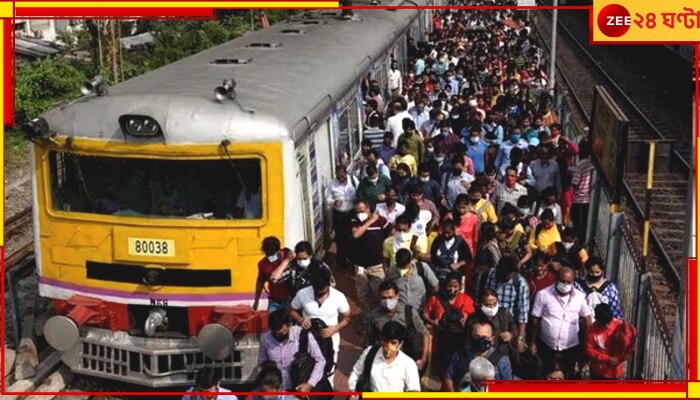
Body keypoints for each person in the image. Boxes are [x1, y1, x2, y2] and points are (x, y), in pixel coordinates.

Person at [289, 268, 351, 386]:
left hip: (330, 342)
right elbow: (292, 310)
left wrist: (335, 328)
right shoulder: (302, 294)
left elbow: (348, 317)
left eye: (323, 290)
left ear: (329, 284)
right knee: (307, 373)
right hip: (308, 341)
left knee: (329, 373)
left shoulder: (338, 297)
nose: (319, 293)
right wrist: (301, 320)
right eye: (317, 290)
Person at [530, 266, 593, 379]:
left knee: (567, 375)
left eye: (569, 282)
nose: (565, 284)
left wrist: (589, 343)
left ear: (573, 282)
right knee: (545, 374)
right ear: (556, 279)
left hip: (570, 346)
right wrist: (533, 341)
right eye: (562, 281)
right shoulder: (543, 295)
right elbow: (536, 319)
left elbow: (587, 318)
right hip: (547, 345)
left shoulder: (579, 297)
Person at [423, 272, 476, 389]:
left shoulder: (467, 300)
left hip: (460, 344)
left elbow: (474, 320)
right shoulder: (435, 299)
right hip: (441, 344)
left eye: (455, 286)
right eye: (449, 286)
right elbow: (425, 315)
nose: (452, 289)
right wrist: (434, 322)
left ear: (460, 287)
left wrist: (467, 321)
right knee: (443, 374)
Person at [367, 280, 430, 370]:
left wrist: (423, 359)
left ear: (397, 296)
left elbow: (425, 334)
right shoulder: (374, 316)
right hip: (386, 362)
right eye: (383, 298)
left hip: (408, 360)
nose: (387, 301)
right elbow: (370, 340)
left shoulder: (409, 312)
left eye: (390, 297)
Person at [258, 310, 326, 392]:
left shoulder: (302, 335)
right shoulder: (265, 338)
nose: (277, 336)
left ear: (289, 325)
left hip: (299, 389)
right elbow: (262, 364)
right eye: (274, 333)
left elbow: (320, 360)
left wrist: (310, 384)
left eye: (282, 333)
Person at [348, 321, 421, 394]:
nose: (388, 346)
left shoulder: (408, 364)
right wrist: (352, 391)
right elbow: (355, 372)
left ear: (400, 344)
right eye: (386, 341)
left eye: (393, 343)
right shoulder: (370, 353)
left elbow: (414, 390)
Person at [350, 198, 391, 318]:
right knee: (362, 295)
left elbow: (391, 234)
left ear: (368, 209)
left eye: (362, 210)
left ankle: (381, 318)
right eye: (357, 211)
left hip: (377, 265)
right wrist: (370, 220)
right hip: (360, 266)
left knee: (379, 293)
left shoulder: (382, 221)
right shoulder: (355, 220)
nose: (359, 213)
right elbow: (356, 234)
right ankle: (367, 320)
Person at [445, 318, 513, 391]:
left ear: (492, 339)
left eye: (485, 337)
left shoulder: (502, 360)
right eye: (477, 336)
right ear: (471, 336)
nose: (481, 340)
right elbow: (448, 377)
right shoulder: (460, 354)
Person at [475, 255, 530, 343]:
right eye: (505, 273)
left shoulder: (520, 284)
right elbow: (477, 301)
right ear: (498, 268)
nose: (508, 276)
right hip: (484, 324)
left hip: (506, 327)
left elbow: (522, 314)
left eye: (510, 274)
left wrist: (519, 338)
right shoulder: (486, 276)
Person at [325, 165, 358, 270]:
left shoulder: (353, 180)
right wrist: (334, 202)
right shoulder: (332, 183)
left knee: (353, 238)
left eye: (342, 175)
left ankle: (353, 261)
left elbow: (360, 193)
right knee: (340, 240)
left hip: (352, 213)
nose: (340, 178)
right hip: (339, 215)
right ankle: (341, 263)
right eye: (338, 177)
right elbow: (327, 199)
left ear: (346, 173)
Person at [253, 237, 295, 314]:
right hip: (275, 301)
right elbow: (260, 282)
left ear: (278, 250)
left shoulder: (288, 256)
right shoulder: (262, 264)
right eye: (268, 254)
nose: (270, 257)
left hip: (291, 300)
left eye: (272, 254)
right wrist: (256, 300)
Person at [430, 219, 472, 284]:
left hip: (454, 275)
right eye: (445, 233)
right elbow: (432, 255)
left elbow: (468, 258)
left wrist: (458, 264)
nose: (446, 235)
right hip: (438, 274)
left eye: (449, 233)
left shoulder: (460, 242)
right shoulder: (438, 241)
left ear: (453, 231)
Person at [569, 140, 594, 244]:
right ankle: (582, 240)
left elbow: (575, 183)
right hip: (588, 198)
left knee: (577, 222)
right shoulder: (590, 164)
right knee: (584, 223)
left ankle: (577, 241)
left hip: (579, 198)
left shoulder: (579, 166)